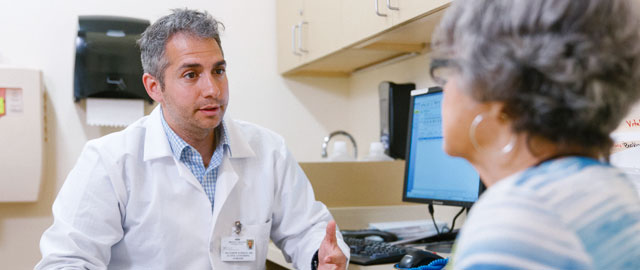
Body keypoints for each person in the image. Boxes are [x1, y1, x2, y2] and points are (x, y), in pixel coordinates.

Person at [36, 9, 348, 270]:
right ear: (154, 86)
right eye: (191, 74)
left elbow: (308, 230)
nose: (212, 89)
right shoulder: (110, 161)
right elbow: (66, 260)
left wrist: (321, 256)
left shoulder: (269, 151)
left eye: (219, 71)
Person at [429, 0, 640, 269]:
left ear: (498, 85)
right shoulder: (608, 189)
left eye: (450, 70)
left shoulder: (520, 219)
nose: (444, 90)